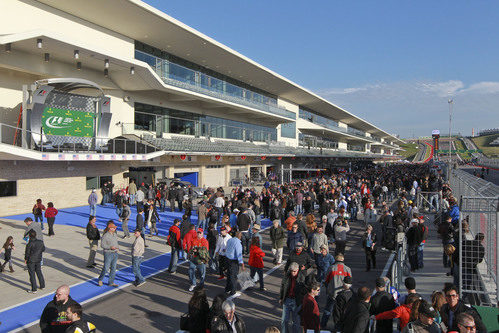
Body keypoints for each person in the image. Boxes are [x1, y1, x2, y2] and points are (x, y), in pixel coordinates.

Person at [322, 253, 352, 328]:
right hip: (343, 295)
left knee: (328, 310)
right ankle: (339, 327)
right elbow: (349, 281)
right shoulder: (347, 269)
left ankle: (322, 325)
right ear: (343, 259)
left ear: (335, 259)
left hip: (332, 293)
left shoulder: (331, 268)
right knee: (342, 311)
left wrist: (328, 289)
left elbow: (326, 280)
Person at [280, 262, 306, 333]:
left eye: (294, 271)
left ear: (297, 270)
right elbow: (283, 287)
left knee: (296, 321)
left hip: (296, 301)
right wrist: (281, 298)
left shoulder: (302, 277)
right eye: (291, 271)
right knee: (284, 320)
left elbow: (304, 291)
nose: (292, 273)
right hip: (287, 299)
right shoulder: (287, 276)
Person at [97, 222, 119, 287]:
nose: (115, 229)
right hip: (108, 253)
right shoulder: (105, 235)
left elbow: (116, 242)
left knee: (113, 268)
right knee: (106, 268)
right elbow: (102, 245)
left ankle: (111, 282)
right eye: (113, 228)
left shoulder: (115, 234)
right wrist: (110, 247)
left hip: (115, 253)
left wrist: (117, 249)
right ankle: (100, 279)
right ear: (110, 228)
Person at [25, 229, 45, 293]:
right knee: (39, 272)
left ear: (30, 236)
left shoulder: (29, 244)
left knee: (32, 274)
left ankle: (34, 289)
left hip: (31, 260)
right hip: (38, 259)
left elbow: (27, 253)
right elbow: (43, 249)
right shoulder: (40, 242)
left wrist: (26, 259)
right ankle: (42, 285)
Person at [224, 231, 245, 296]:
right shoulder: (238, 243)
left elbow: (226, 248)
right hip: (233, 261)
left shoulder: (230, 240)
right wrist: (242, 264)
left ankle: (227, 289)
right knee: (233, 276)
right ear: (240, 236)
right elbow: (239, 254)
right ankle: (233, 291)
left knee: (229, 275)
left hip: (228, 259)